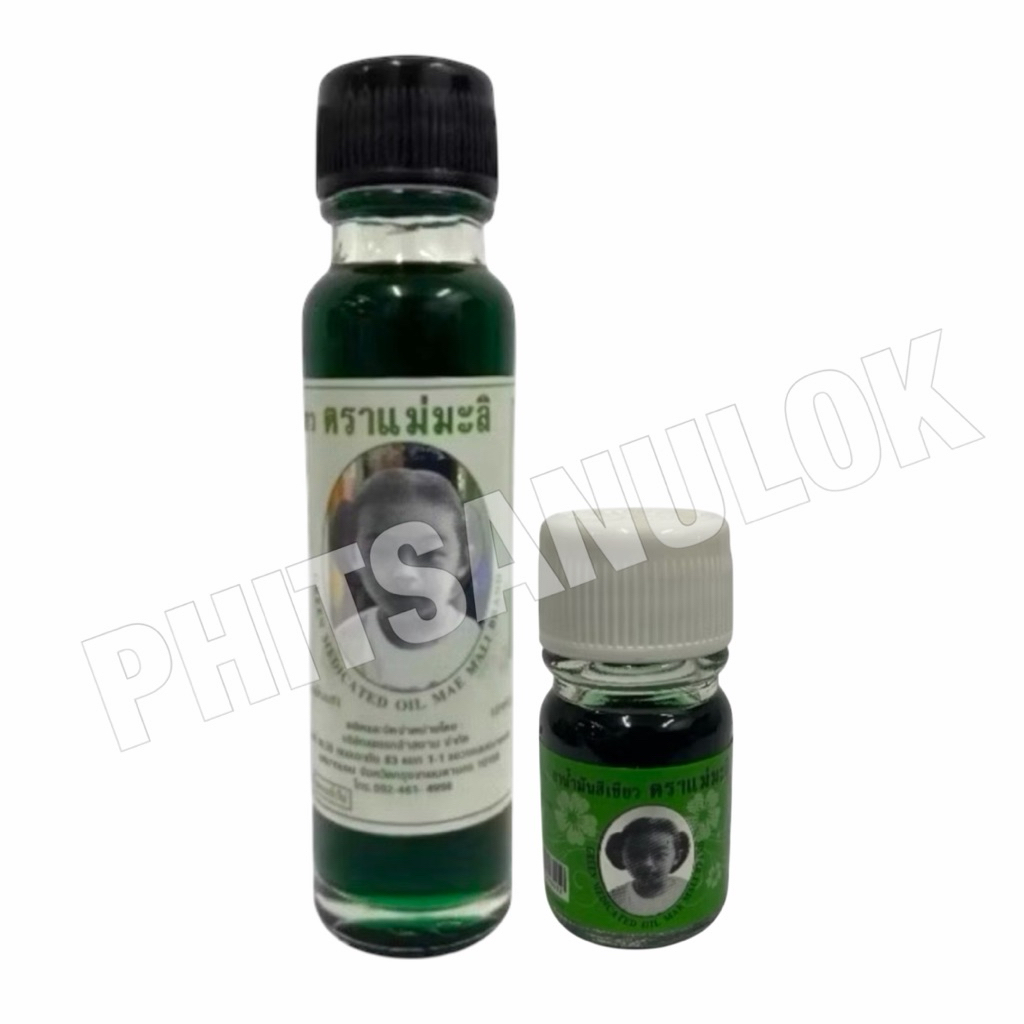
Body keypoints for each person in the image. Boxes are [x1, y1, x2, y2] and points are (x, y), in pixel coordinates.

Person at [332, 468, 481, 691]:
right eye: (381, 552)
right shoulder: (348, 641)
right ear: (355, 559)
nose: (404, 573)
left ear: (463, 561)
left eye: (429, 553)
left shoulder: (470, 641)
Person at [606, 816, 689, 916]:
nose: (647, 864)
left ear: (677, 857)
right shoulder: (616, 899)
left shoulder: (686, 890)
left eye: (659, 855)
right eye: (636, 855)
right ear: (622, 858)